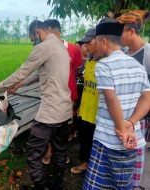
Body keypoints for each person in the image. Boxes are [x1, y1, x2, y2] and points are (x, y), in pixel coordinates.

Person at [0, 20, 73, 190]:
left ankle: (40, 187)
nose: (33, 42)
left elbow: (22, 71)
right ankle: (57, 185)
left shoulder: (43, 47)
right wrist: (20, 85)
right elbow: (43, 71)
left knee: (33, 154)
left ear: (36, 32)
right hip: (64, 109)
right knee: (60, 150)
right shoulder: (60, 46)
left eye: (32, 39)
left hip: (50, 112)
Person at [83, 18, 150, 189]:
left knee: (96, 185)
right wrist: (130, 123)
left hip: (108, 139)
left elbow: (111, 99)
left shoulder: (104, 65)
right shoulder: (137, 66)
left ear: (103, 41)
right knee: (123, 185)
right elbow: (146, 98)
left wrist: (121, 128)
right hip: (132, 138)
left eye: (96, 41)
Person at [40, 19, 82, 165]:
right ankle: (49, 151)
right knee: (49, 126)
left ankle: (61, 154)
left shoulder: (73, 49)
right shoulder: (44, 49)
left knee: (63, 127)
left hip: (68, 95)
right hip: (50, 95)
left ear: (56, 32)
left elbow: (76, 69)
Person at [117, 10, 150, 188]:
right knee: (122, 155)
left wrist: (135, 119)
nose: (118, 37)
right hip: (121, 115)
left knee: (135, 154)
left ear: (131, 31)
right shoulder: (124, 52)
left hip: (138, 118)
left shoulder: (147, 53)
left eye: (120, 32)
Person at [69, 27, 100, 174]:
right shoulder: (88, 62)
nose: (85, 46)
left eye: (88, 42)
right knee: (85, 139)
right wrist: (80, 106)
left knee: (95, 141)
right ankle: (86, 163)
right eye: (84, 43)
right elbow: (86, 89)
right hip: (85, 110)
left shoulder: (106, 63)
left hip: (98, 113)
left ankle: (94, 166)